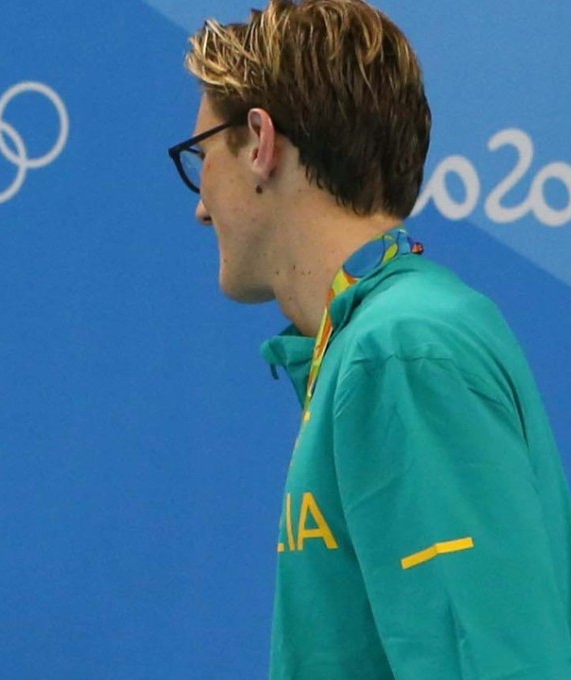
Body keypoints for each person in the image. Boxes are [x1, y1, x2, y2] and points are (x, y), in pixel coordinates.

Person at [167, 0, 571, 677]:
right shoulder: (381, 342)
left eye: (200, 158)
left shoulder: (401, 349)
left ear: (260, 142)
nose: (201, 205)